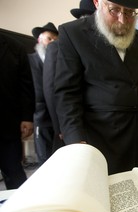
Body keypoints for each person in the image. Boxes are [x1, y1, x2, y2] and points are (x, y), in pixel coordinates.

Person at [54, 0, 138, 175]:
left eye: (129, 12)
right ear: (97, 3)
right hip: (97, 132)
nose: (122, 19)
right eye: (114, 10)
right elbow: (67, 92)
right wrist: (75, 138)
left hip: (136, 132)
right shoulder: (73, 33)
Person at [43, 0, 97, 152]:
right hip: (70, 126)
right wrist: (63, 127)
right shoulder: (58, 46)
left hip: (94, 127)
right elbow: (52, 89)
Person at [0, 33, 35, 189]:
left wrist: (27, 117)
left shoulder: (14, 46)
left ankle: (22, 211)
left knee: (14, 172)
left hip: (7, 122)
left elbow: (25, 86)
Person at [29, 22, 58, 166]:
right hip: (41, 117)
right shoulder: (31, 60)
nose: (52, 42)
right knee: (45, 160)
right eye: (49, 38)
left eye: (55, 39)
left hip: (58, 118)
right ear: (40, 40)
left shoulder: (60, 61)